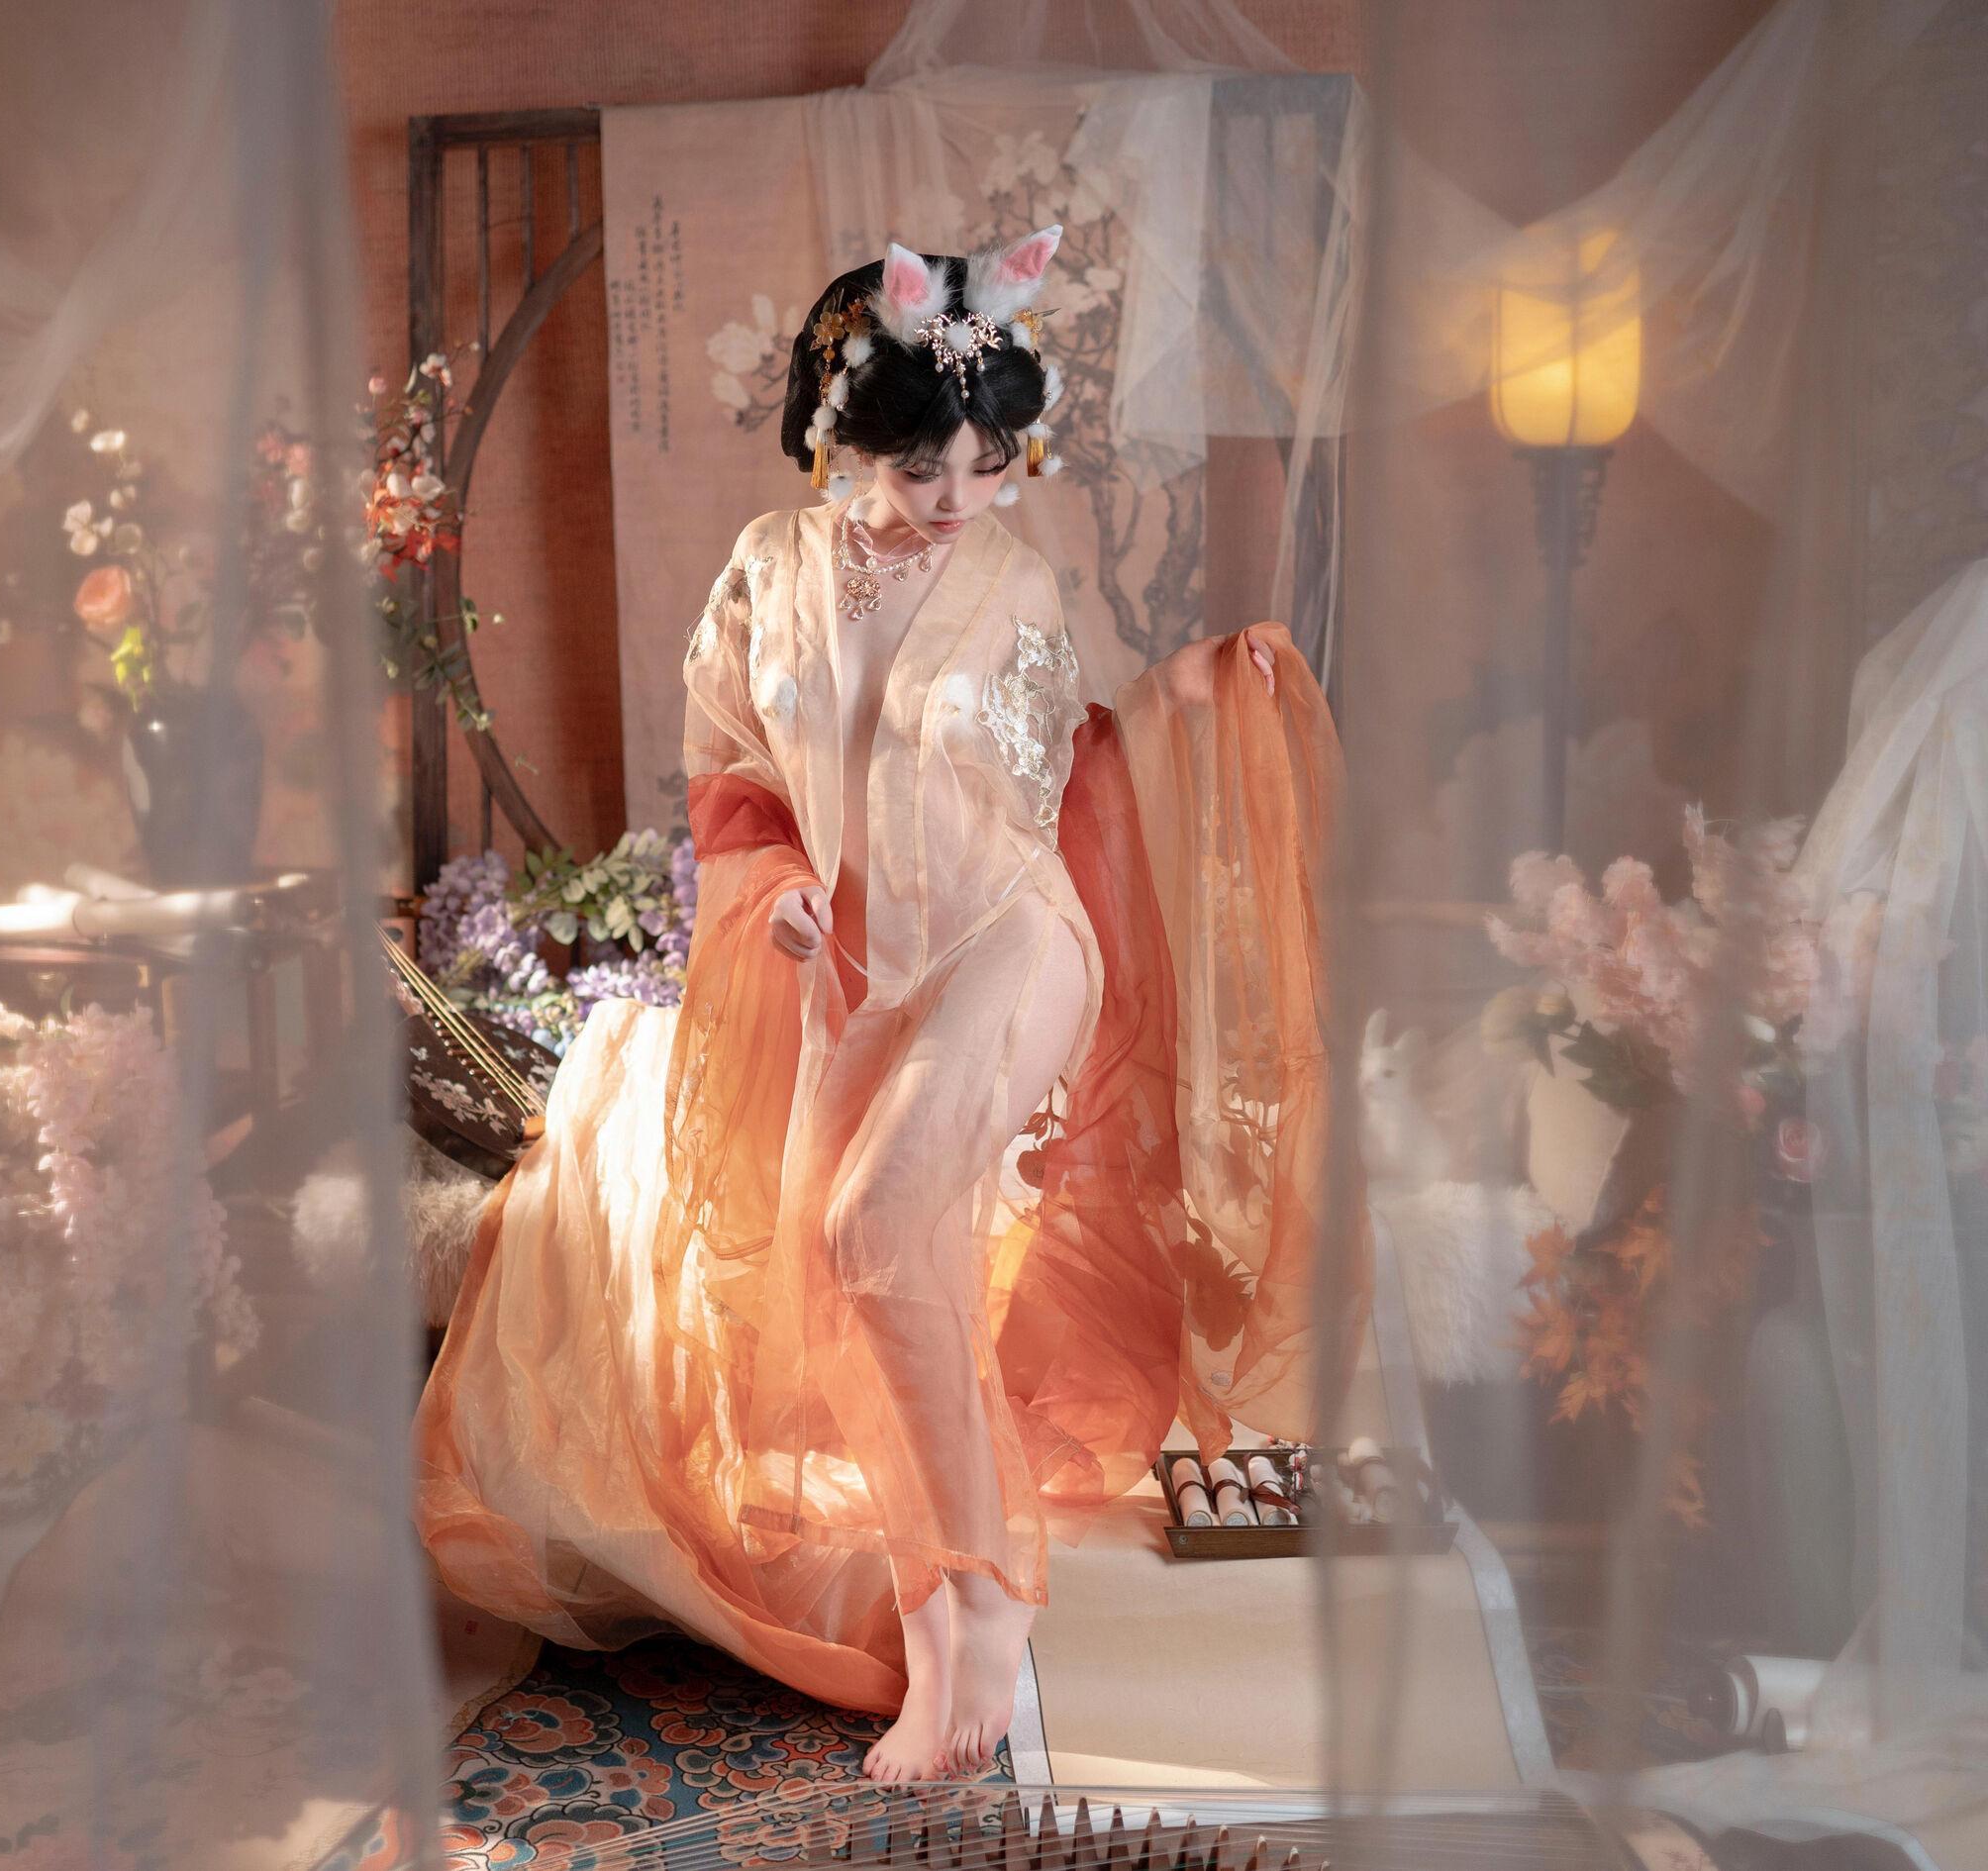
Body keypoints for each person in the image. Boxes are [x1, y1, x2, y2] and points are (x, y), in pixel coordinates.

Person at [415, 230, 1352, 1779]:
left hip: (1014, 937)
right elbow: (731, 773)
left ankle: (973, 1597)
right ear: (841, 432)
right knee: (843, 1261)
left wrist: (1193, 698)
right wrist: (775, 877)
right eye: (926, 466)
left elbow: (1075, 764)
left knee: (869, 1227)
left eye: (990, 464)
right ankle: (946, 1587)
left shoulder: (1016, 581)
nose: (962, 495)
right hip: (857, 975)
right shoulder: (765, 574)